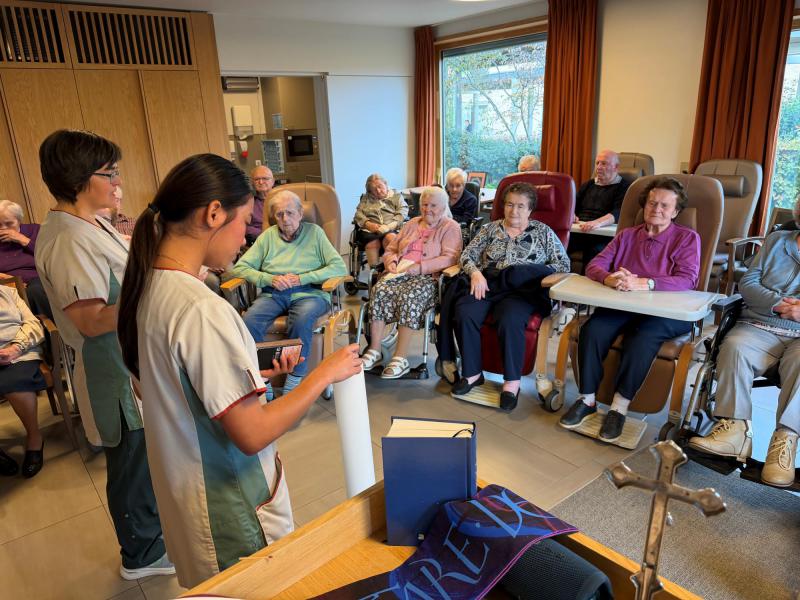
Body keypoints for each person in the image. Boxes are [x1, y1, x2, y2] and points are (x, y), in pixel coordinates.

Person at [117, 153, 362, 588]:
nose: (242, 241)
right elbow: (251, 434)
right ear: (213, 213)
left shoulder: (150, 287)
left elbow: (179, 388)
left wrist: (254, 379)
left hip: (186, 488)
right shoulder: (202, 309)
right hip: (226, 503)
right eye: (242, 223)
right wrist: (323, 373)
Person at [35, 129, 173, 580]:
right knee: (130, 461)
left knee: (142, 456)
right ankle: (141, 555)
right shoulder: (68, 240)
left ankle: (151, 537)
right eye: (109, 173)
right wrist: (151, 291)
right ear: (79, 179)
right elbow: (91, 320)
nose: (118, 181)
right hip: (107, 370)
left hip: (125, 359)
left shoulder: (90, 224)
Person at [559, 177, 700, 442]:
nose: (656, 209)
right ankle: (587, 400)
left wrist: (645, 283)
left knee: (642, 339)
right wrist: (609, 278)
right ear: (644, 205)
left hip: (666, 313)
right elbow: (595, 265)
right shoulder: (627, 235)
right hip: (624, 305)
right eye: (652, 203)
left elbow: (688, 279)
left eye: (665, 205)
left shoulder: (687, 238)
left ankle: (618, 408)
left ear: (676, 211)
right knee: (593, 329)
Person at [688, 195, 800, 487]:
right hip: (760, 324)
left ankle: (785, 442)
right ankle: (734, 431)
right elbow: (748, 282)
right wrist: (780, 305)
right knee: (734, 346)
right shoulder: (778, 240)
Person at [445, 182, 569, 411]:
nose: (514, 211)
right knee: (465, 311)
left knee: (510, 318)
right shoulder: (489, 229)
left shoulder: (542, 232)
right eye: (510, 204)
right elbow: (466, 255)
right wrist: (475, 274)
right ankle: (472, 373)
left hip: (522, 291)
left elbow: (563, 264)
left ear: (530, 209)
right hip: (488, 284)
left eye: (521, 206)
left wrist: (535, 274)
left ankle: (511, 383)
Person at [232, 190, 347, 395]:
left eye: (290, 213)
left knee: (302, 318)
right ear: (273, 217)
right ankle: (264, 378)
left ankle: (294, 379)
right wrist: (269, 279)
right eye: (279, 215)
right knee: (249, 322)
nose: (285, 219)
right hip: (273, 293)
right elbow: (240, 268)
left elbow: (338, 267)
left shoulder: (315, 233)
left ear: (301, 214)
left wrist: (303, 278)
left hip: (310, 293)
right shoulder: (267, 236)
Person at [360, 187, 462, 378]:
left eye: (433, 205)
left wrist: (421, 267)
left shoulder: (450, 227)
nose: (427, 209)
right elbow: (391, 249)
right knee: (380, 289)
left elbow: (450, 258)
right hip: (400, 272)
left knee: (409, 295)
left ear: (443, 207)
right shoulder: (412, 224)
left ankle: (400, 357)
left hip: (428, 277)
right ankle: (375, 350)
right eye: (424, 204)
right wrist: (390, 261)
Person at [0, 285, 47, 478]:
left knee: (15, 383)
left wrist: (16, 347)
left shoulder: (8, 292)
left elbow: (33, 323)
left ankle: (35, 437)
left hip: (18, 350)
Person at [567, 149, 630, 267]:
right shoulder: (588, 185)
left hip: (603, 235)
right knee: (558, 245)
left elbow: (618, 212)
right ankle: (560, 281)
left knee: (594, 252)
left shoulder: (624, 187)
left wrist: (597, 223)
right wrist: (572, 215)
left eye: (604, 163)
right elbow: (573, 206)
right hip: (580, 230)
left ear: (616, 167)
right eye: (597, 163)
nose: (599, 167)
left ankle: (586, 284)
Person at [0, 199, 52, 319]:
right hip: (8, 286)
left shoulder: (35, 230)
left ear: (19, 221)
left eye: (9, 224)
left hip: (38, 280)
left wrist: (23, 240)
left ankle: (52, 333)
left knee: (35, 291)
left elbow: (50, 256)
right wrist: (11, 281)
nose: (3, 229)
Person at [353, 173, 408, 266]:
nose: (378, 191)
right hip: (370, 230)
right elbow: (358, 214)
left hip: (392, 228)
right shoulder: (366, 199)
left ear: (386, 184)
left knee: (390, 238)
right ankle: (374, 273)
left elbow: (403, 210)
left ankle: (390, 269)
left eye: (380, 186)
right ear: (370, 191)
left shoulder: (396, 196)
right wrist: (367, 224)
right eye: (374, 189)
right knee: (372, 244)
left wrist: (390, 226)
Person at [247, 165, 274, 245]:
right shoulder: (248, 202)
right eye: (257, 179)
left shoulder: (283, 198)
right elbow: (244, 227)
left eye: (265, 178)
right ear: (252, 182)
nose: (261, 182)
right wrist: (264, 234)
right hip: (259, 242)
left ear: (273, 181)